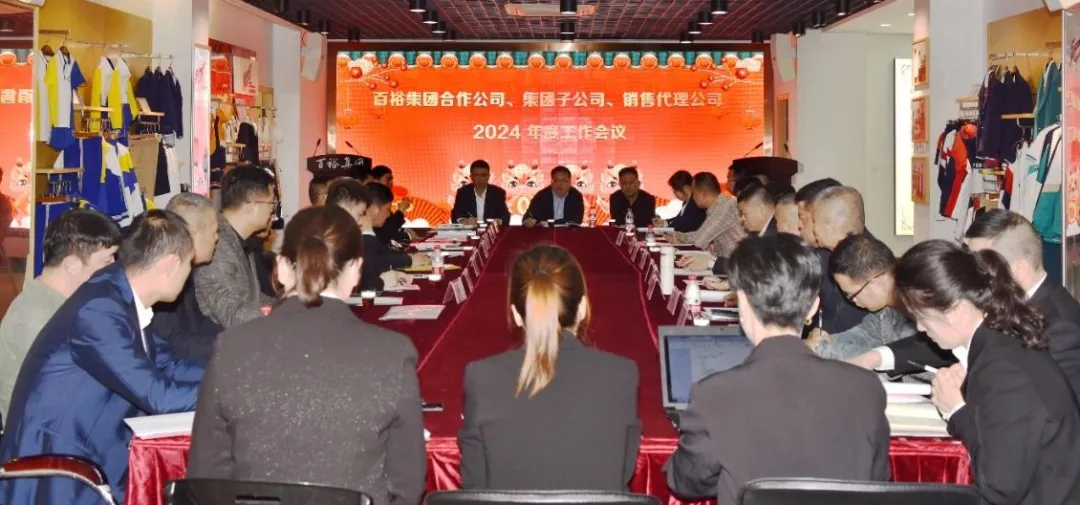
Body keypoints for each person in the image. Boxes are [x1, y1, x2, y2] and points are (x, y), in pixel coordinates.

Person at [188, 206, 425, 505]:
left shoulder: (231, 347)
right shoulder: (392, 353)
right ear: (356, 270)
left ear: (282, 268)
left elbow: (205, 479)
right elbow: (407, 486)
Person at [665, 234, 890, 505]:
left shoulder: (714, 394)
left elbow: (686, 482)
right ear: (813, 307)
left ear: (742, 304)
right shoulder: (866, 387)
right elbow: (877, 480)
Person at [0, 210, 204, 505]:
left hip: (95, 446)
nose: (190, 274)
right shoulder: (99, 310)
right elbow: (159, 396)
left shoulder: (118, 293)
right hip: (61, 468)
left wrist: (231, 372)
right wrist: (229, 391)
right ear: (171, 264)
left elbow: (170, 364)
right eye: (189, 264)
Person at [893, 240, 1080, 505]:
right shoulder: (998, 344)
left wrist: (956, 411)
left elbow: (1000, 487)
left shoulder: (1001, 371)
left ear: (956, 310)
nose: (921, 328)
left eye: (921, 317)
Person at [458, 244, 640, 490]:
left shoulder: (481, 377)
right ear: (583, 308)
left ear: (517, 315)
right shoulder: (622, 374)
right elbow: (621, 474)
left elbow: (474, 484)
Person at [847, 210, 1080, 395]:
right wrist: (877, 357)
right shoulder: (998, 296)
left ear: (1020, 269)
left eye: (983, 266)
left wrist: (958, 406)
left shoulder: (1063, 326)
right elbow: (945, 336)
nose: (973, 274)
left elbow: (1053, 411)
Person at [0, 209, 121, 412]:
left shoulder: (56, 302)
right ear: (72, 265)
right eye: (107, 261)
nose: (114, 268)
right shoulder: (40, 317)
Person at [811, 234, 921, 368]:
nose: (852, 301)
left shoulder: (923, 307)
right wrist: (826, 340)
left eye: (851, 295)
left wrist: (822, 349)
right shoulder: (887, 312)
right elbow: (865, 335)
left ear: (877, 282)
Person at [194, 165, 275, 329]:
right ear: (252, 206)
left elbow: (256, 299)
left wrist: (289, 307)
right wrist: (283, 316)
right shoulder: (217, 244)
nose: (273, 211)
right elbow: (232, 314)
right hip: (222, 338)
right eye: (271, 204)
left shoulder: (240, 238)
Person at [148, 193, 222, 362]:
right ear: (191, 234)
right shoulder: (162, 275)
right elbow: (171, 343)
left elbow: (198, 323)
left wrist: (232, 337)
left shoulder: (186, 268)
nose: (217, 238)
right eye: (213, 232)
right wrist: (226, 346)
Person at [326, 179, 412, 291]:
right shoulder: (330, 240)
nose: (365, 218)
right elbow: (369, 285)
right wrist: (368, 233)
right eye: (361, 213)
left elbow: (373, 263)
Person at [361, 182, 429, 291]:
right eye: (388, 209)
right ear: (374, 210)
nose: (389, 214)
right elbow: (374, 262)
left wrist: (408, 258)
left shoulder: (369, 230)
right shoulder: (356, 233)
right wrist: (408, 260)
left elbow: (382, 253)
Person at [672, 172, 746, 260]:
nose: (693, 197)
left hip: (736, 264)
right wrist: (679, 236)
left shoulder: (724, 208)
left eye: (694, 193)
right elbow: (699, 234)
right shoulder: (719, 205)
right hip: (725, 261)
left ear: (703, 194)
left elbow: (699, 241)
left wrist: (678, 236)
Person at [451, 159, 511, 225]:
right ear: (471, 177)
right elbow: (455, 215)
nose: (480, 179)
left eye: (483, 175)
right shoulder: (463, 193)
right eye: (476, 175)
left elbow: (505, 216)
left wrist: (499, 221)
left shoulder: (498, 193)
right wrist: (464, 221)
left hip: (491, 230)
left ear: (488, 176)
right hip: (470, 230)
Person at [371, 165, 415, 245]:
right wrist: (401, 211)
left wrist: (409, 236)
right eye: (388, 179)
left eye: (392, 179)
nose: (391, 183)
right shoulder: (371, 199)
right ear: (375, 180)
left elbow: (391, 229)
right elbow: (386, 232)